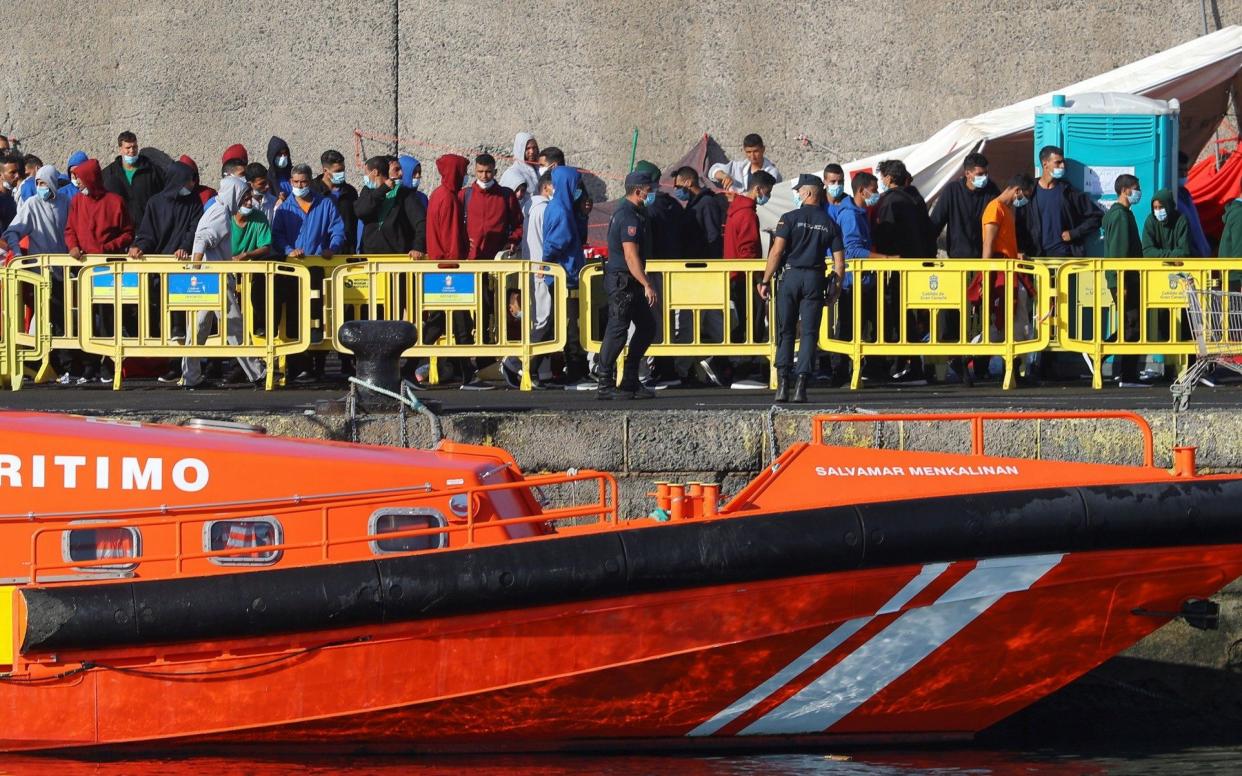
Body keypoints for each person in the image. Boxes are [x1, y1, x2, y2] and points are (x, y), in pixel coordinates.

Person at [757, 174, 845, 403]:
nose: (796, 195)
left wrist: (765, 280)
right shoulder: (830, 223)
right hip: (815, 279)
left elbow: (776, 253)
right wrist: (835, 289)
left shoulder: (788, 218)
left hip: (791, 277)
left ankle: (783, 384)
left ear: (807, 193)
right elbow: (839, 262)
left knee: (785, 331)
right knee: (809, 333)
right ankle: (801, 387)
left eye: (798, 191)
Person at [180, 177, 265, 389]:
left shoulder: (216, 209)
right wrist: (196, 269)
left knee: (198, 328)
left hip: (208, 279)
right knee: (234, 324)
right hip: (214, 278)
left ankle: (190, 376)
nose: (246, 199)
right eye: (243, 194)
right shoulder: (220, 213)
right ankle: (257, 372)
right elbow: (202, 239)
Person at [598, 171, 658, 400]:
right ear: (638, 190)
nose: (651, 193)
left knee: (647, 326)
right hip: (623, 281)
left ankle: (630, 380)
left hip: (630, 281)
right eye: (649, 189)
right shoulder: (628, 216)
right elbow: (631, 256)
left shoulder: (635, 213)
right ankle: (604, 382)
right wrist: (647, 284)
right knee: (617, 329)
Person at [827, 171, 882, 386]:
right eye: (874, 190)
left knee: (859, 324)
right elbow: (852, 250)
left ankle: (854, 369)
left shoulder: (859, 212)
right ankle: (839, 371)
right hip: (853, 281)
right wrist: (884, 258)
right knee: (847, 325)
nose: (876, 194)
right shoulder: (850, 215)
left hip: (862, 281)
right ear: (862, 190)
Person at [543, 164, 589, 385]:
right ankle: (574, 372)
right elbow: (555, 244)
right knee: (570, 326)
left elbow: (579, 237)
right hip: (565, 277)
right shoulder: (561, 211)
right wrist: (547, 263)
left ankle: (578, 369)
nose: (579, 189)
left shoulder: (567, 208)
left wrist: (582, 214)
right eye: (577, 185)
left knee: (564, 324)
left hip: (567, 274)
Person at [1102, 174, 1145, 386]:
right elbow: (1120, 252)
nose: (1139, 192)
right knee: (1132, 325)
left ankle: (1108, 359)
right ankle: (1127, 374)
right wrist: (1122, 283)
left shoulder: (1121, 214)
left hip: (1125, 279)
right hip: (1125, 279)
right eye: (1136, 188)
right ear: (1125, 190)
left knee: (1129, 324)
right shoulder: (1120, 216)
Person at [1024, 146, 1102, 258]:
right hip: (1037, 259)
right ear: (1045, 164)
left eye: (1063, 162)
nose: (1063, 166)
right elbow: (1020, 224)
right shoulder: (1030, 192)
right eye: (1058, 162)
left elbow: (1097, 217)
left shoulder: (1069, 192)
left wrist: (1074, 233)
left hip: (1065, 260)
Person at [355, 155, 427, 256]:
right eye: (396, 170)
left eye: (401, 169)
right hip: (370, 259)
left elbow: (421, 222)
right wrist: (383, 189)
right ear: (385, 171)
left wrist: (418, 247)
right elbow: (361, 211)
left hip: (396, 260)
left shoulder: (406, 195)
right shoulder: (368, 192)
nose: (401, 173)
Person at [463, 153, 522, 259]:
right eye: (480, 172)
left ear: (495, 172)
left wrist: (513, 240)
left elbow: (518, 224)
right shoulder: (465, 195)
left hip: (497, 259)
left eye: (488, 172)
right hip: (470, 258)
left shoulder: (506, 195)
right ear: (475, 172)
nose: (484, 176)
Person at [101, 131, 165, 227]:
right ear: (120, 149)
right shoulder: (109, 173)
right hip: (120, 231)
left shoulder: (151, 170)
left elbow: (164, 195)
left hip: (148, 229)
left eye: (134, 147)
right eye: (128, 148)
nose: (132, 151)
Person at [675, 167, 727, 259]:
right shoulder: (692, 204)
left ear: (689, 182)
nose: (676, 190)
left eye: (678, 186)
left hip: (704, 262)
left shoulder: (707, 202)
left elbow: (713, 235)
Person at [709, 133, 782, 193]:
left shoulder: (772, 173)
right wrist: (724, 176)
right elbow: (713, 170)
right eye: (749, 152)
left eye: (756, 151)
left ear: (763, 149)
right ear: (744, 151)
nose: (752, 156)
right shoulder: (738, 166)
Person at [427, 154, 468, 259]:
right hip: (448, 264)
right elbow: (450, 237)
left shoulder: (438, 193)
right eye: (464, 172)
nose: (466, 175)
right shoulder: (449, 198)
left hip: (437, 259)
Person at [1176, 152, 1211, 258]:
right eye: (1180, 171)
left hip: (1201, 257)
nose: (1183, 174)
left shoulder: (1186, 195)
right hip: (1189, 259)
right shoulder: (1172, 198)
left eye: (1185, 170)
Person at [1141, 189, 1191, 258]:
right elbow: (1147, 251)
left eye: (1161, 207)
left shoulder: (1181, 221)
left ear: (1169, 206)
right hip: (1155, 267)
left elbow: (1184, 251)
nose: (1158, 211)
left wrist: (1160, 255)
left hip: (1178, 267)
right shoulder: (1150, 221)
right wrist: (1171, 256)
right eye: (1155, 208)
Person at [0, 153, 18, 230]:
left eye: (18, 172)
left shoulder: (12, 197)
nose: (17, 176)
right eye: (12, 172)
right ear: (1, 175)